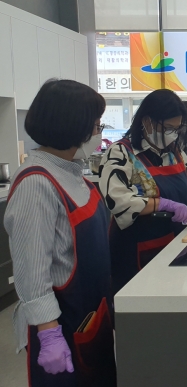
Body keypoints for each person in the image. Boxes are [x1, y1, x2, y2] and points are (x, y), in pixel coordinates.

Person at [4, 79, 116, 386]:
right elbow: (31, 270)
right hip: (63, 326)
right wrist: (49, 333)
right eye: (96, 125)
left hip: (92, 316)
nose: (98, 133)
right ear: (73, 126)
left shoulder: (72, 172)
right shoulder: (36, 183)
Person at [99, 90, 187, 295]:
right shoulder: (121, 153)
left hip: (174, 243)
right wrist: (163, 204)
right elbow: (118, 201)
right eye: (167, 128)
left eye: (176, 128)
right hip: (137, 249)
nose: (172, 134)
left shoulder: (174, 152)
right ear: (146, 121)